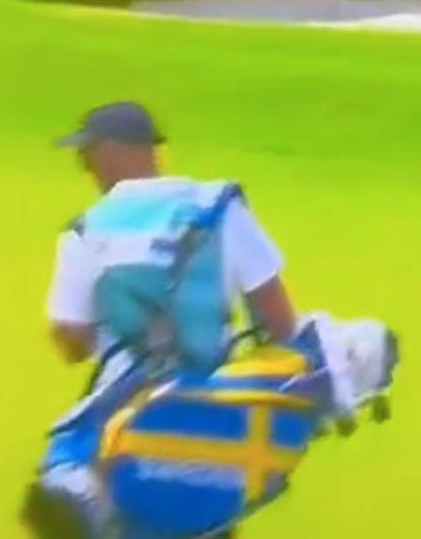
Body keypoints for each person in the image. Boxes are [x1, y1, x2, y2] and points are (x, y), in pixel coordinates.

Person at [23, 101, 298, 538]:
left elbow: (72, 339)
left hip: (124, 424)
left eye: (86, 154)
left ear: (113, 151)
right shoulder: (221, 208)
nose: (85, 168)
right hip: (214, 421)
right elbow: (282, 322)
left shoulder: (88, 229)